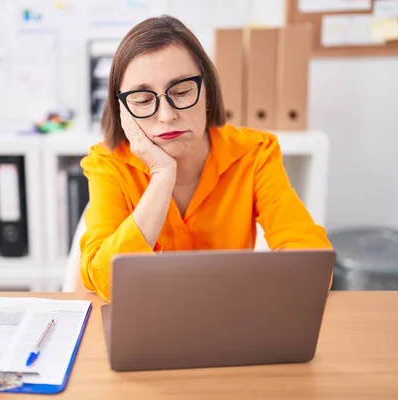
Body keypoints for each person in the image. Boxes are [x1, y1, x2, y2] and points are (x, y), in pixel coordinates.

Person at [78, 15, 332, 302]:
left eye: (182, 91)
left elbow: (314, 263)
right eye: (143, 100)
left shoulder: (255, 152)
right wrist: (162, 176)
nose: (166, 115)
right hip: (150, 322)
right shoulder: (107, 164)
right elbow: (104, 280)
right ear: (123, 110)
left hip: (229, 320)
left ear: (207, 92)